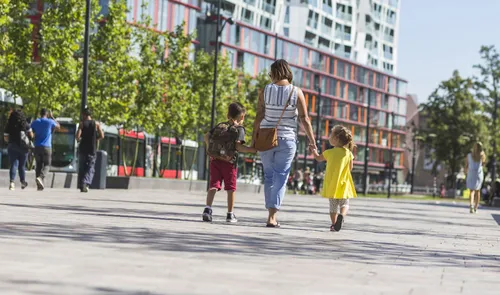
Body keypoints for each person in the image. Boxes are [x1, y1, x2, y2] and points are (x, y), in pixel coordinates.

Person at [252, 59, 316, 227]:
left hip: (266, 138)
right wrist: (312, 141)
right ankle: (272, 216)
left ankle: (270, 212)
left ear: (274, 73)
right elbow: (305, 119)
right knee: (281, 176)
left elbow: (259, 116)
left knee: (269, 176)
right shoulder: (296, 92)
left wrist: (254, 138)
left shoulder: (265, 90)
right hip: (287, 139)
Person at [202, 102, 257, 223]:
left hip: (215, 160)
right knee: (230, 188)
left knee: (213, 185)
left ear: (228, 114)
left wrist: (210, 148)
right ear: (242, 117)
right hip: (230, 163)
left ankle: (207, 209)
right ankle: (230, 214)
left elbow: (206, 136)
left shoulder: (220, 125)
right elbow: (239, 147)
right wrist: (251, 150)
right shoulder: (240, 129)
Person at [310, 125, 357, 232]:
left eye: (331, 135)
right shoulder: (348, 153)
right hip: (344, 183)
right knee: (345, 204)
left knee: (333, 206)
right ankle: (342, 215)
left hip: (332, 183)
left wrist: (314, 151)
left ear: (336, 139)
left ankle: (334, 224)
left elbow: (318, 158)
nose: (329, 137)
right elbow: (350, 168)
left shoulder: (329, 152)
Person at [30, 108, 59, 191]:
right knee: (47, 164)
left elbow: (31, 131)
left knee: (38, 165)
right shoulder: (50, 121)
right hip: (47, 147)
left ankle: (39, 185)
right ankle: (41, 177)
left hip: (37, 146)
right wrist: (52, 117)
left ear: (40, 114)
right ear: (47, 114)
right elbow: (58, 126)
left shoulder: (35, 122)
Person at [76, 108, 104, 193]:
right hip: (92, 149)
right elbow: (102, 136)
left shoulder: (82, 124)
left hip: (83, 149)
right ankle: (85, 183)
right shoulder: (96, 124)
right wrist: (96, 139)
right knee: (90, 167)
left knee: (82, 167)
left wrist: (79, 138)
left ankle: (82, 184)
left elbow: (77, 137)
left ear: (84, 115)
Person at [5, 109, 32, 190]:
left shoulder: (9, 124)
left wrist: (10, 141)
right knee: (22, 166)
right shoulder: (25, 124)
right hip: (23, 147)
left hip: (12, 146)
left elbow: (6, 137)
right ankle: (23, 182)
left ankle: (12, 182)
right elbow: (31, 135)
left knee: (13, 164)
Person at [465, 142, 486, 213]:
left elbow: (466, 165)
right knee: (477, 191)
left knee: (472, 191)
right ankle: (476, 207)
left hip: (471, 173)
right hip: (478, 173)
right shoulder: (482, 155)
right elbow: (483, 164)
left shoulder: (469, 155)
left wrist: (466, 172)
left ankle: (471, 205)